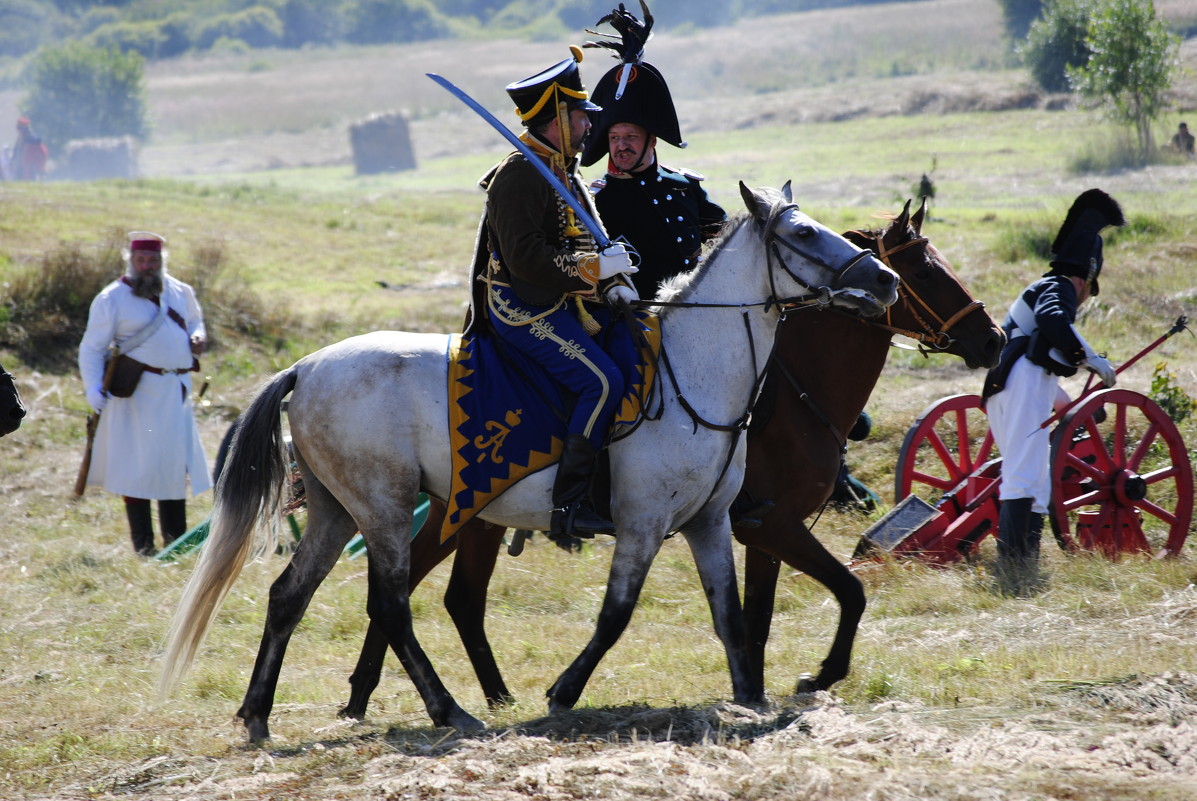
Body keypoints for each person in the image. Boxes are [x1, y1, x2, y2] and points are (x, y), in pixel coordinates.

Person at [464, 49, 640, 543]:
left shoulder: (564, 169)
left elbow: (591, 241)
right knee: (601, 383)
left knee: (642, 345)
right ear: (559, 118)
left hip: (567, 303)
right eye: (582, 115)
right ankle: (568, 505)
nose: (590, 125)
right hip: (523, 307)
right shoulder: (520, 174)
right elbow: (526, 262)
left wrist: (615, 276)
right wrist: (594, 270)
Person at [980, 189, 1125, 595]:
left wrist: (1074, 408)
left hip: (1012, 384)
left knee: (1035, 481)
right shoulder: (1058, 285)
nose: (1084, 297)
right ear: (1085, 277)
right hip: (1020, 382)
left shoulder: (1043, 286)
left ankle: (1025, 564)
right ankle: (1014, 569)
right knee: (1025, 477)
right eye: (1088, 288)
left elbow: (1038, 364)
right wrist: (1089, 357)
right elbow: (1051, 321)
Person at [581, 3, 727, 297]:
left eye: (631, 136)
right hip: (635, 317)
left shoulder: (685, 187)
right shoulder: (597, 200)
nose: (621, 145)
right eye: (614, 137)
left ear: (653, 140)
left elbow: (724, 239)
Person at [78, 232, 211, 555]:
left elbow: (196, 321)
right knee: (137, 469)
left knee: (172, 466)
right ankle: (144, 548)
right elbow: (92, 348)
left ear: (161, 261)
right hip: (137, 394)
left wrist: (197, 336)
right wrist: (92, 388)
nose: (147, 266)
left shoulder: (181, 291)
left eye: (153, 260)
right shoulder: (111, 299)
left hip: (176, 391)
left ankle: (175, 546)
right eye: (141, 260)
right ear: (131, 261)